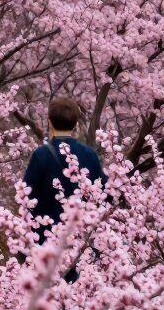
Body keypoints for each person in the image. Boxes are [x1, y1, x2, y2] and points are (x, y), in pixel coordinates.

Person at [23, 95, 106, 236]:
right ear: (75, 125)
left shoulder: (40, 154)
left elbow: (26, 195)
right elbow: (103, 192)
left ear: (49, 123)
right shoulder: (89, 154)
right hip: (80, 235)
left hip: (45, 236)